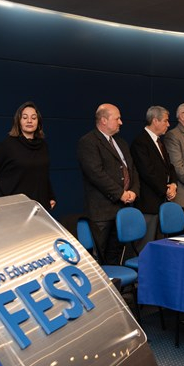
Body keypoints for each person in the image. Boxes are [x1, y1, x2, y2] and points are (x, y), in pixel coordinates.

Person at [76, 103, 139, 264]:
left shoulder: (121, 143)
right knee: (100, 260)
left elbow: (131, 169)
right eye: (117, 119)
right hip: (101, 213)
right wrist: (120, 194)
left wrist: (134, 191)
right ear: (104, 120)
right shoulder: (89, 142)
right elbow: (96, 174)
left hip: (122, 209)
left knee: (116, 257)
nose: (121, 122)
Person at [0, 101, 56, 210]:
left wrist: (51, 196)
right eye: (25, 117)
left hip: (40, 206)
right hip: (15, 207)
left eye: (33, 118)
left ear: (38, 122)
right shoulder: (7, 145)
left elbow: (43, 174)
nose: (29, 121)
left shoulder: (43, 145)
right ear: (18, 121)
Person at [130, 106, 177, 248]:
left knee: (161, 244)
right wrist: (165, 190)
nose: (168, 124)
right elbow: (147, 172)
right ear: (155, 121)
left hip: (162, 202)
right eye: (165, 121)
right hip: (148, 203)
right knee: (147, 245)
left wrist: (173, 184)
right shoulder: (140, 142)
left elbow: (170, 167)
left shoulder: (159, 142)